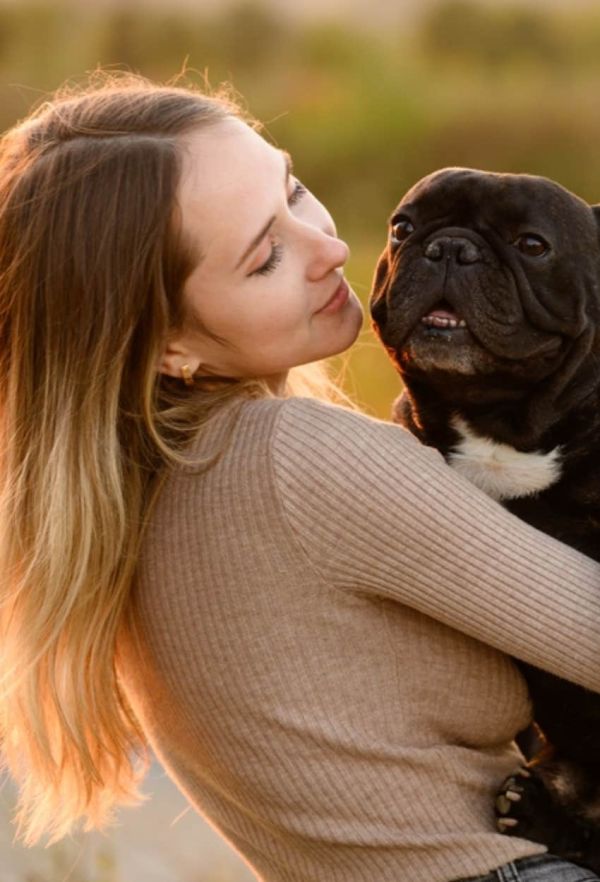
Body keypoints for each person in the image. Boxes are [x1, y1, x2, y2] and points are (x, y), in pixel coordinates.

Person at [1, 73, 600, 882]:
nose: (330, 249)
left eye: (294, 190)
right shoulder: (301, 459)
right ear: (168, 344)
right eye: (267, 257)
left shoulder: (158, 479)